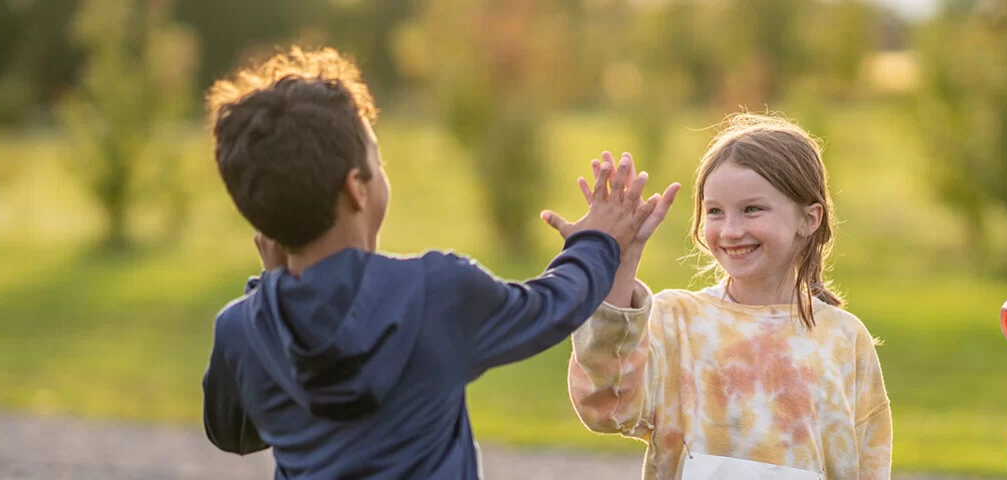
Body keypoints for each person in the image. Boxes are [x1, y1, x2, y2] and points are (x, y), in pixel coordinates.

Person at [200, 46, 671, 479]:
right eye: (377, 160)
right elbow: (550, 306)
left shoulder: (242, 329)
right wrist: (597, 240)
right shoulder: (434, 293)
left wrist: (272, 283)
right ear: (357, 188)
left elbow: (234, 432)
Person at [559, 114, 892, 479]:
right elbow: (607, 405)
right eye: (715, 211)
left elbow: (868, 464)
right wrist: (623, 261)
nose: (731, 230)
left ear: (809, 219)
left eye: (752, 209)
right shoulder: (678, 322)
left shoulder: (845, 339)